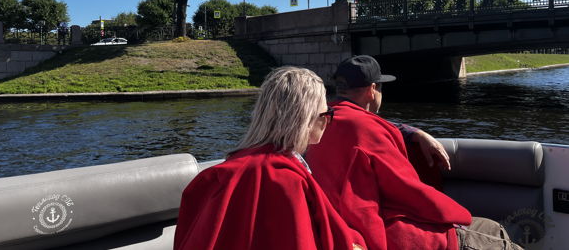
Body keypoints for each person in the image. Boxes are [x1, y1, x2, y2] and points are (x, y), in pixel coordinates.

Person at [306, 55, 523, 250]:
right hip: (387, 236)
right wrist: (458, 218)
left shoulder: (317, 123)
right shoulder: (369, 131)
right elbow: (411, 192)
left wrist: (415, 132)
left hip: (336, 232)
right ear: (372, 90)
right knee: (494, 233)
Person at [174, 66, 365, 250]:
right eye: (326, 113)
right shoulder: (287, 180)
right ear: (307, 119)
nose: (327, 121)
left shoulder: (223, 172)